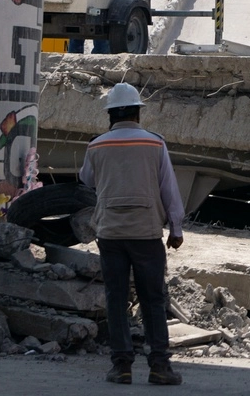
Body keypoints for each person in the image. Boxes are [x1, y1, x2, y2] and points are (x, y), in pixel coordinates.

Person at [79, 83, 185, 385]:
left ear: (110, 115)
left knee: (115, 298)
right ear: (138, 112)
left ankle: (122, 365)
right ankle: (160, 367)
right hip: (147, 233)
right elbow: (169, 189)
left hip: (111, 234)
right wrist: (175, 228)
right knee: (152, 298)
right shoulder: (155, 143)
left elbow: (86, 180)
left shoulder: (97, 145)